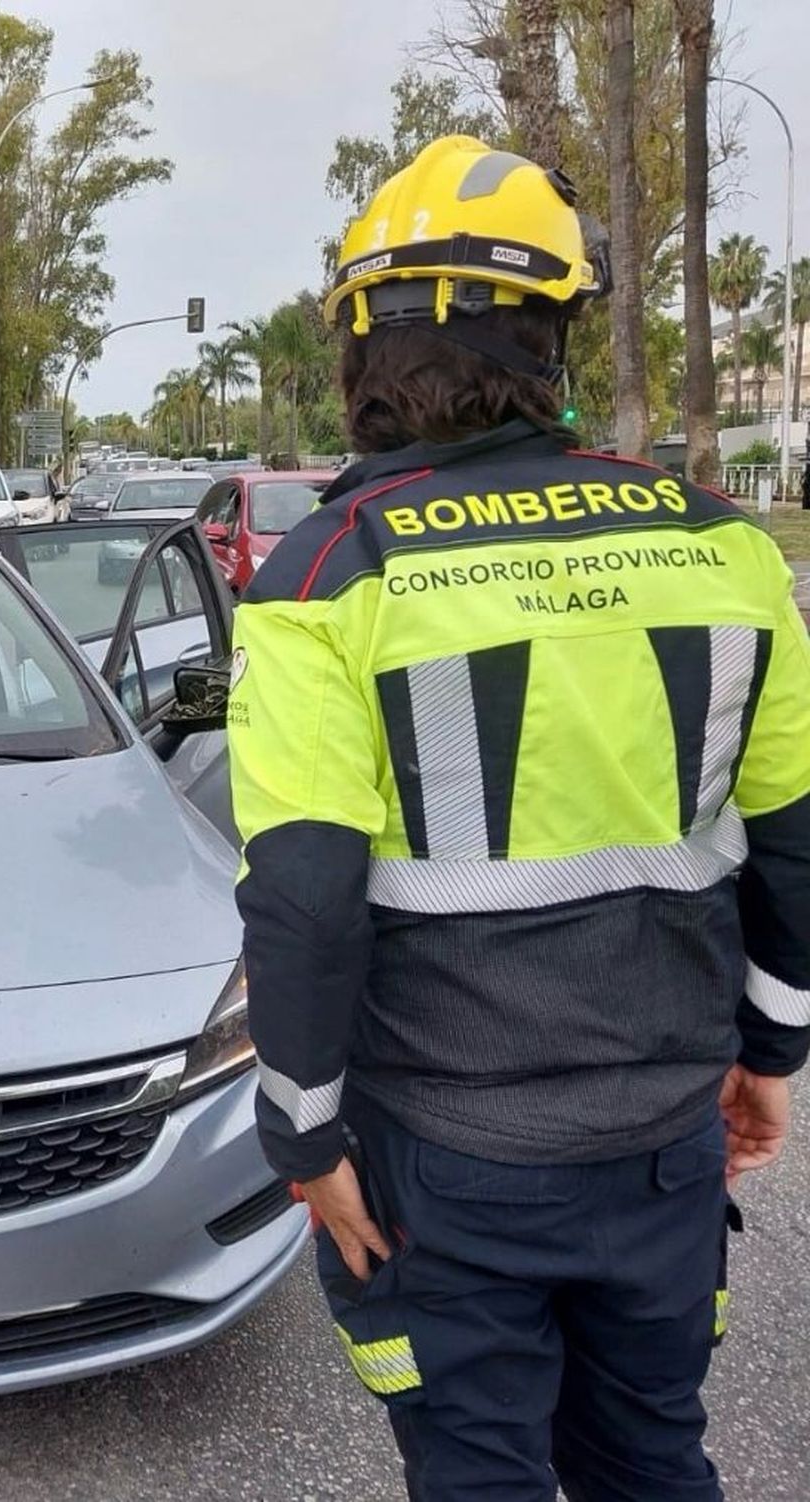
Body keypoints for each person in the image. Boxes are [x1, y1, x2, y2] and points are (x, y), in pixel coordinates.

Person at [227, 135, 810, 1502]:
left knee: (479, 1475)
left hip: (442, 1164)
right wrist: (770, 1048)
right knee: (654, 1460)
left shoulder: (329, 572)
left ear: (364, 350)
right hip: (664, 1144)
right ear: (550, 338)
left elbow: (305, 891)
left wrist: (305, 1137)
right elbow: (790, 836)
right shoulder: (726, 545)